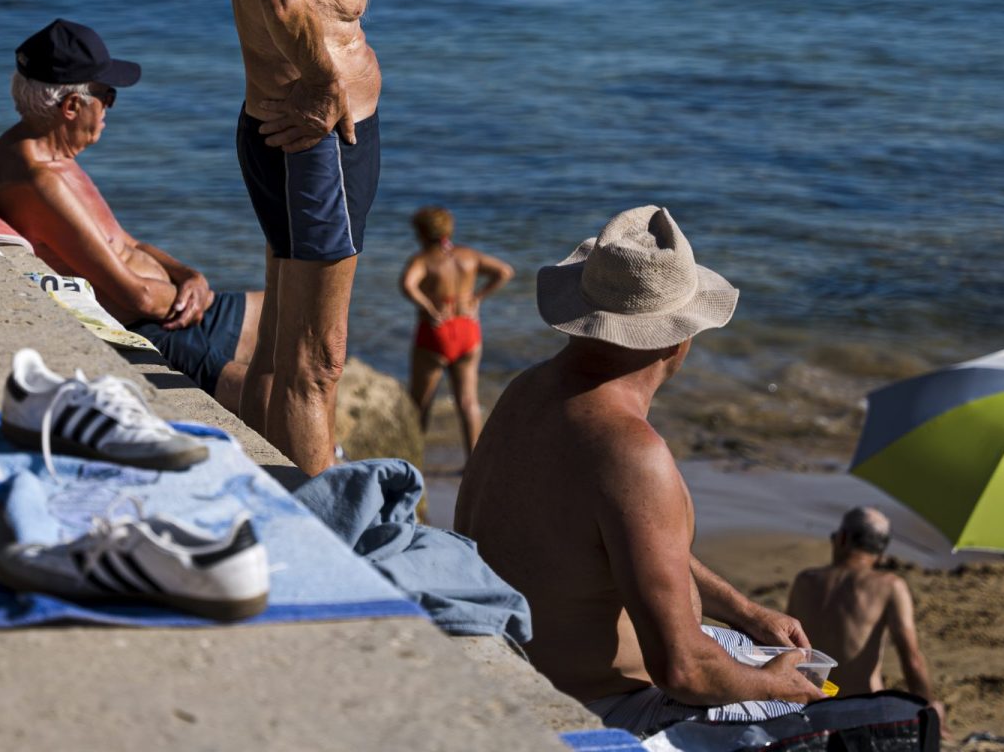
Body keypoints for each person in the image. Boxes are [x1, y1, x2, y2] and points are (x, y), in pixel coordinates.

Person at [455, 206, 825, 738]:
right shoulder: (631, 452)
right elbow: (683, 670)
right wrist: (775, 686)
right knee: (807, 720)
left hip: (515, 668)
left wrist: (743, 611)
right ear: (679, 341)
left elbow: (615, 542)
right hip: (591, 705)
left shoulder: (528, 391)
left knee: (746, 644)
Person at [205, 0, 457, 475]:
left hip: (274, 131)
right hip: (317, 140)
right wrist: (318, 84)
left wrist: (276, 59)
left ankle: (270, 496)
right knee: (318, 362)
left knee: (282, 352)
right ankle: (321, 534)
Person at [0, 18, 262, 414]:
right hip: (150, 331)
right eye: (107, 96)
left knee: (297, 320)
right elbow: (135, 296)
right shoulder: (39, 180)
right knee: (276, 392)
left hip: (171, 305)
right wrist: (190, 298)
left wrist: (189, 276)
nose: (109, 109)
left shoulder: (49, 152)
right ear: (73, 106)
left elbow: (128, 243)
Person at [786, 506, 944, 723]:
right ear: (880, 554)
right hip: (862, 711)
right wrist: (929, 708)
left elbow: (787, 645)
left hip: (812, 706)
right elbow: (912, 659)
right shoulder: (890, 586)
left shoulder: (805, 581)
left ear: (842, 539)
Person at [398, 205, 512, 453]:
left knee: (420, 404)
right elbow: (504, 271)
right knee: (468, 401)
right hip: (468, 328)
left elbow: (407, 284)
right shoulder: (467, 256)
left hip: (436, 331)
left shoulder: (423, 260)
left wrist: (427, 306)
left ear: (421, 232)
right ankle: (473, 463)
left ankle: (413, 460)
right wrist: (478, 297)